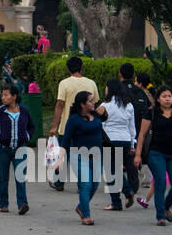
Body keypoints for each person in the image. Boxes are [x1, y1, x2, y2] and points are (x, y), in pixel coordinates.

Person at [134, 85, 172, 225]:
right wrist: (138, 155)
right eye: (164, 96)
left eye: (170, 96)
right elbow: (142, 135)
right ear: (158, 99)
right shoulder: (152, 113)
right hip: (156, 153)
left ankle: (166, 206)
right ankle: (160, 215)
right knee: (160, 183)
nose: (168, 99)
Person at [0, 86, 33, 214]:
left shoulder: (24, 111)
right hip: (3, 150)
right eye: (2, 95)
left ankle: (22, 204)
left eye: (6, 95)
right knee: (3, 177)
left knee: (20, 177)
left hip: (20, 149)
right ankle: (3, 203)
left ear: (14, 97)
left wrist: (27, 136)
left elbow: (31, 127)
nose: (3, 98)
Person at [59, 90, 104, 225]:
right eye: (90, 101)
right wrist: (59, 159)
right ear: (82, 104)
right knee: (86, 185)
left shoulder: (96, 115)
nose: (93, 102)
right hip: (79, 156)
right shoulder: (73, 120)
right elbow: (65, 141)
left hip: (96, 156)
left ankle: (80, 207)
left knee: (95, 185)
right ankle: (86, 215)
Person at [99, 80, 138, 212]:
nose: (105, 90)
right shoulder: (129, 106)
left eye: (106, 88)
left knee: (111, 172)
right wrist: (133, 143)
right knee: (116, 170)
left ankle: (120, 199)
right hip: (125, 140)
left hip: (110, 140)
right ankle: (123, 196)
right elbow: (132, 127)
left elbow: (101, 124)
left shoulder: (105, 105)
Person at [50, 57, 99, 138]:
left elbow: (60, 105)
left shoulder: (64, 83)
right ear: (82, 68)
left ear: (68, 69)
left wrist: (55, 126)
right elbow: (95, 104)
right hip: (88, 126)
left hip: (67, 127)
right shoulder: (92, 83)